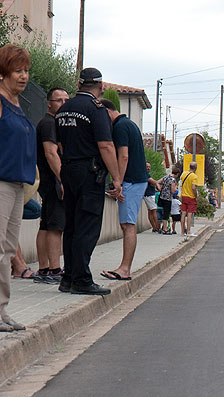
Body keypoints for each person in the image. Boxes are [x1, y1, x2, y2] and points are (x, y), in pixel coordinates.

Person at [55, 67, 123, 296]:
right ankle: (82, 279)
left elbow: (61, 145)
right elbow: (105, 145)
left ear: (78, 84)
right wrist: (116, 178)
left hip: (68, 168)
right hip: (89, 172)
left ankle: (68, 278)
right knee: (87, 226)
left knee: (72, 226)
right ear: (101, 87)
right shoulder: (96, 110)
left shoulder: (64, 109)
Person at [0, 44, 37, 330]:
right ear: (4, 73)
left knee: (9, 249)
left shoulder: (16, 103)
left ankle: (2, 312)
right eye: (17, 71)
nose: (23, 76)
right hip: (1, 183)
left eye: (26, 70)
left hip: (16, 184)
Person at [98, 98, 148, 282]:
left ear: (107, 112)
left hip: (131, 182)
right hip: (136, 181)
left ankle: (125, 269)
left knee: (128, 225)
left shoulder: (119, 127)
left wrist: (117, 181)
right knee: (126, 224)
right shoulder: (130, 124)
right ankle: (124, 267)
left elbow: (124, 156)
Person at [32, 87, 69, 284]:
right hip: (52, 180)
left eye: (66, 100)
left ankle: (44, 269)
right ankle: (54, 269)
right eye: (58, 101)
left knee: (46, 224)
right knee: (55, 226)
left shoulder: (51, 123)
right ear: (49, 103)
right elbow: (50, 153)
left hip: (48, 181)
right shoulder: (49, 124)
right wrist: (62, 179)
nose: (63, 104)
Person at [178, 161, 201, 237]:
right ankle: (188, 231)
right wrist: (196, 195)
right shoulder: (194, 177)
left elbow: (181, 183)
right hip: (191, 197)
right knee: (190, 214)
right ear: (196, 168)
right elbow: (193, 187)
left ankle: (182, 232)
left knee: (183, 214)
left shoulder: (184, 174)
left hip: (184, 196)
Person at [158, 166, 178, 234]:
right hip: (168, 198)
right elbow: (172, 191)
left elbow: (157, 182)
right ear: (177, 174)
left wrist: (160, 189)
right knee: (166, 214)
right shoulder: (173, 180)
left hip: (161, 197)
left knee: (162, 212)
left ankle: (162, 227)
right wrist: (175, 189)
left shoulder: (165, 177)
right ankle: (165, 229)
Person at [141, 162, 161, 232]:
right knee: (154, 210)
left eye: (149, 166)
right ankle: (157, 227)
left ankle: (154, 227)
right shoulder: (145, 174)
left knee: (150, 211)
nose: (148, 168)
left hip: (147, 194)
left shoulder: (146, 174)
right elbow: (153, 182)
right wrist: (158, 183)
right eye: (147, 166)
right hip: (149, 194)